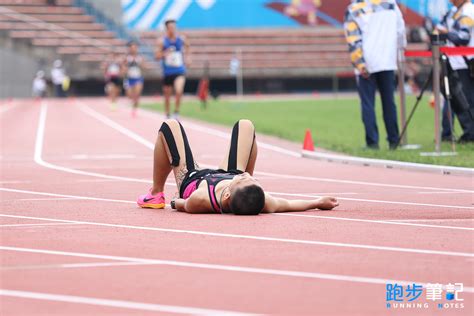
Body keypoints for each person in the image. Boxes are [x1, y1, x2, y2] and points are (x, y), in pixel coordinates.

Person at [137, 119, 339, 215]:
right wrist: (317, 202)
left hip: (193, 178)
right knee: (246, 125)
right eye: (252, 180)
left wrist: (175, 201)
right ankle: (244, 198)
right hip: (227, 175)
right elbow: (289, 204)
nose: (248, 176)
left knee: (169, 126)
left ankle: (155, 193)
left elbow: (183, 204)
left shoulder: (202, 199)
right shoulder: (262, 201)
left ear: (226, 196)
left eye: (245, 179)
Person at [344, 0, 406, 150]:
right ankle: (393, 140)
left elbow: (353, 39)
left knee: (368, 104)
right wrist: (399, 54)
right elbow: (400, 30)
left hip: (368, 61)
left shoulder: (354, 8)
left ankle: (372, 142)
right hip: (387, 59)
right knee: (389, 103)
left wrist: (360, 63)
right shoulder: (391, 4)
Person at [436, 0, 474, 143]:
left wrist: (446, 33)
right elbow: (439, 27)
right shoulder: (454, 11)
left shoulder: (468, 11)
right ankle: (460, 132)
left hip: (465, 62)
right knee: (455, 98)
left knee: (467, 101)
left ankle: (470, 134)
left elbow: (463, 38)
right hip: (455, 61)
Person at [155, 20, 190, 120]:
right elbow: (157, 56)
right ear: (167, 29)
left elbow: (188, 46)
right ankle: (167, 113)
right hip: (168, 72)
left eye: (174, 27)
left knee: (179, 90)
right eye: (170, 27)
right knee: (167, 95)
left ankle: (176, 112)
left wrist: (187, 57)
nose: (173, 29)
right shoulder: (162, 41)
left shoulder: (181, 39)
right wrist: (165, 53)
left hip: (179, 70)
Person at [123, 41, 144, 118]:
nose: (133, 49)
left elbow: (144, 66)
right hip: (129, 78)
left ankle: (134, 109)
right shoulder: (127, 58)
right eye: (132, 48)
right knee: (129, 95)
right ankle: (133, 102)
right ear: (129, 49)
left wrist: (141, 64)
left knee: (137, 94)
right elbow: (123, 67)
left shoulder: (140, 57)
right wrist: (125, 69)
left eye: (135, 48)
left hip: (138, 78)